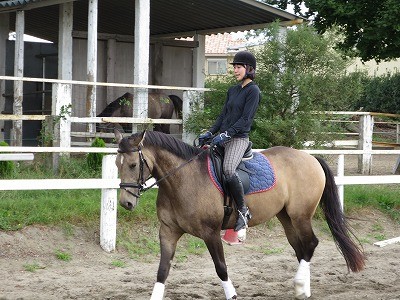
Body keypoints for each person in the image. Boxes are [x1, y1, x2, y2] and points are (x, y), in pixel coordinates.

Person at [199, 50, 261, 238]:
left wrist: (225, 135)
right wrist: (210, 132)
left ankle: (243, 211)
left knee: (227, 169)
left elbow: (245, 120)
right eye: (234, 67)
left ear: (249, 69)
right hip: (224, 138)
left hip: (238, 139)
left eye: (238, 67)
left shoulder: (253, 91)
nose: (235, 70)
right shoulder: (233, 90)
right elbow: (223, 116)